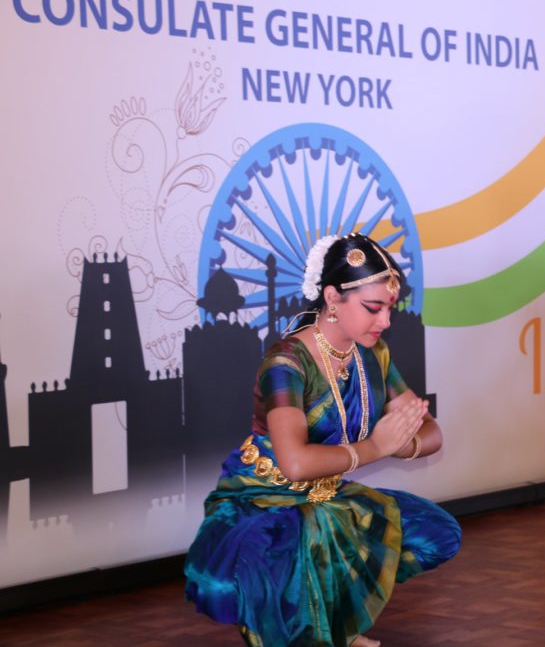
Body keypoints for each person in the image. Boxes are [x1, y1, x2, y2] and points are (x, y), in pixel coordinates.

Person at [185, 233, 461, 646]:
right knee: (318, 532)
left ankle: (339, 628)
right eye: (373, 308)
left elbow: (431, 432)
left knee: (437, 533)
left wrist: (404, 443)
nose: (385, 322)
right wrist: (376, 447)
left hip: (325, 492)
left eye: (388, 308)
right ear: (332, 298)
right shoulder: (286, 363)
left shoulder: (373, 355)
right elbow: (294, 463)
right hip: (266, 498)